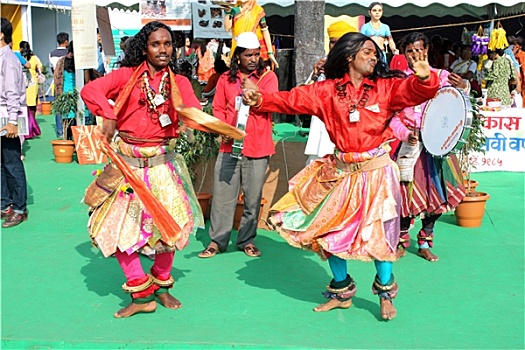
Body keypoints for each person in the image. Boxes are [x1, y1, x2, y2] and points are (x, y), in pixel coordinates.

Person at [242, 32, 440, 320]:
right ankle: (341, 291)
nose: (375, 57)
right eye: (368, 52)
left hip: (377, 173)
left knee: (381, 236)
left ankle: (385, 295)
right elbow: (290, 100)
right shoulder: (326, 91)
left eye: (376, 53)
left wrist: (425, 79)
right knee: (328, 232)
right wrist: (259, 99)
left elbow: (414, 91)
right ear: (350, 56)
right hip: (341, 172)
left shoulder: (386, 88)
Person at [81, 21, 205, 318]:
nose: (163, 50)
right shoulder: (125, 77)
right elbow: (90, 89)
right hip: (128, 168)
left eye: (167, 44)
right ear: (143, 48)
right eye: (155, 44)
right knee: (115, 231)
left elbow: (192, 113)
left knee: (169, 231)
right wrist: (108, 114)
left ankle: (162, 286)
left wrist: (202, 123)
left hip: (163, 167)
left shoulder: (180, 83)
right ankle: (140, 292)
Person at [198, 32, 278, 259]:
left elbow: (271, 104)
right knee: (223, 196)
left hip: (257, 146)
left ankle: (246, 240)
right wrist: (223, 130)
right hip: (228, 146)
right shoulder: (225, 79)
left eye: (256, 54)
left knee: (252, 197)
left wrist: (254, 88)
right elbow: (219, 108)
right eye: (247, 55)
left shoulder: (267, 78)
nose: (253, 59)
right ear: (238, 56)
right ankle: (217, 241)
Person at [389, 32, 468, 262]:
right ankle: (400, 241)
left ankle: (424, 242)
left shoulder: (443, 77)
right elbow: (391, 116)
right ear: (404, 54)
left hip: (438, 148)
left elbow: (457, 105)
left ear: (427, 51)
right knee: (404, 197)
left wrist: (463, 87)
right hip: (408, 148)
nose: (415, 55)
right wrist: (405, 134)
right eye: (410, 51)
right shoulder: (398, 82)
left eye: (419, 50)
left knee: (437, 197)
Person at [304, 21, 356, 165]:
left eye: (340, 42)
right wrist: (315, 74)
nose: (335, 46)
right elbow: (305, 96)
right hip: (320, 131)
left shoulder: (356, 66)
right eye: (333, 42)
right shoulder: (322, 65)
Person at [0, 17, 29, 228]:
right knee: (2, 163)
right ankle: (5, 204)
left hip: (8, 115)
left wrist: (11, 121)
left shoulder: (8, 59)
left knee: (11, 162)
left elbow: (12, 92)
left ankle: (19, 208)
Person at [224, 0, 278, 68]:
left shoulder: (258, 11)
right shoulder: (234, 10)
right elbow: (227, 28)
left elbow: (265, 30)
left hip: (254, 46)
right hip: (238, 46)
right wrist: (227, 12)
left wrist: (270, 52)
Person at [53, 41, 77, 139]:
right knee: (77, 122)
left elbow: (56, 78)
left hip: (65, 95)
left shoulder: (61, 61)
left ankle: (67, 141)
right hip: (77, 95)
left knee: (67, 122)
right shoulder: (81, 63)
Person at [512, 36, 525, 107]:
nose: (514, 46)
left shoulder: (521, 55)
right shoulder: (514, 55)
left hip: (521, 79)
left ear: (520, 46)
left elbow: (523, 68)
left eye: (515, 44)